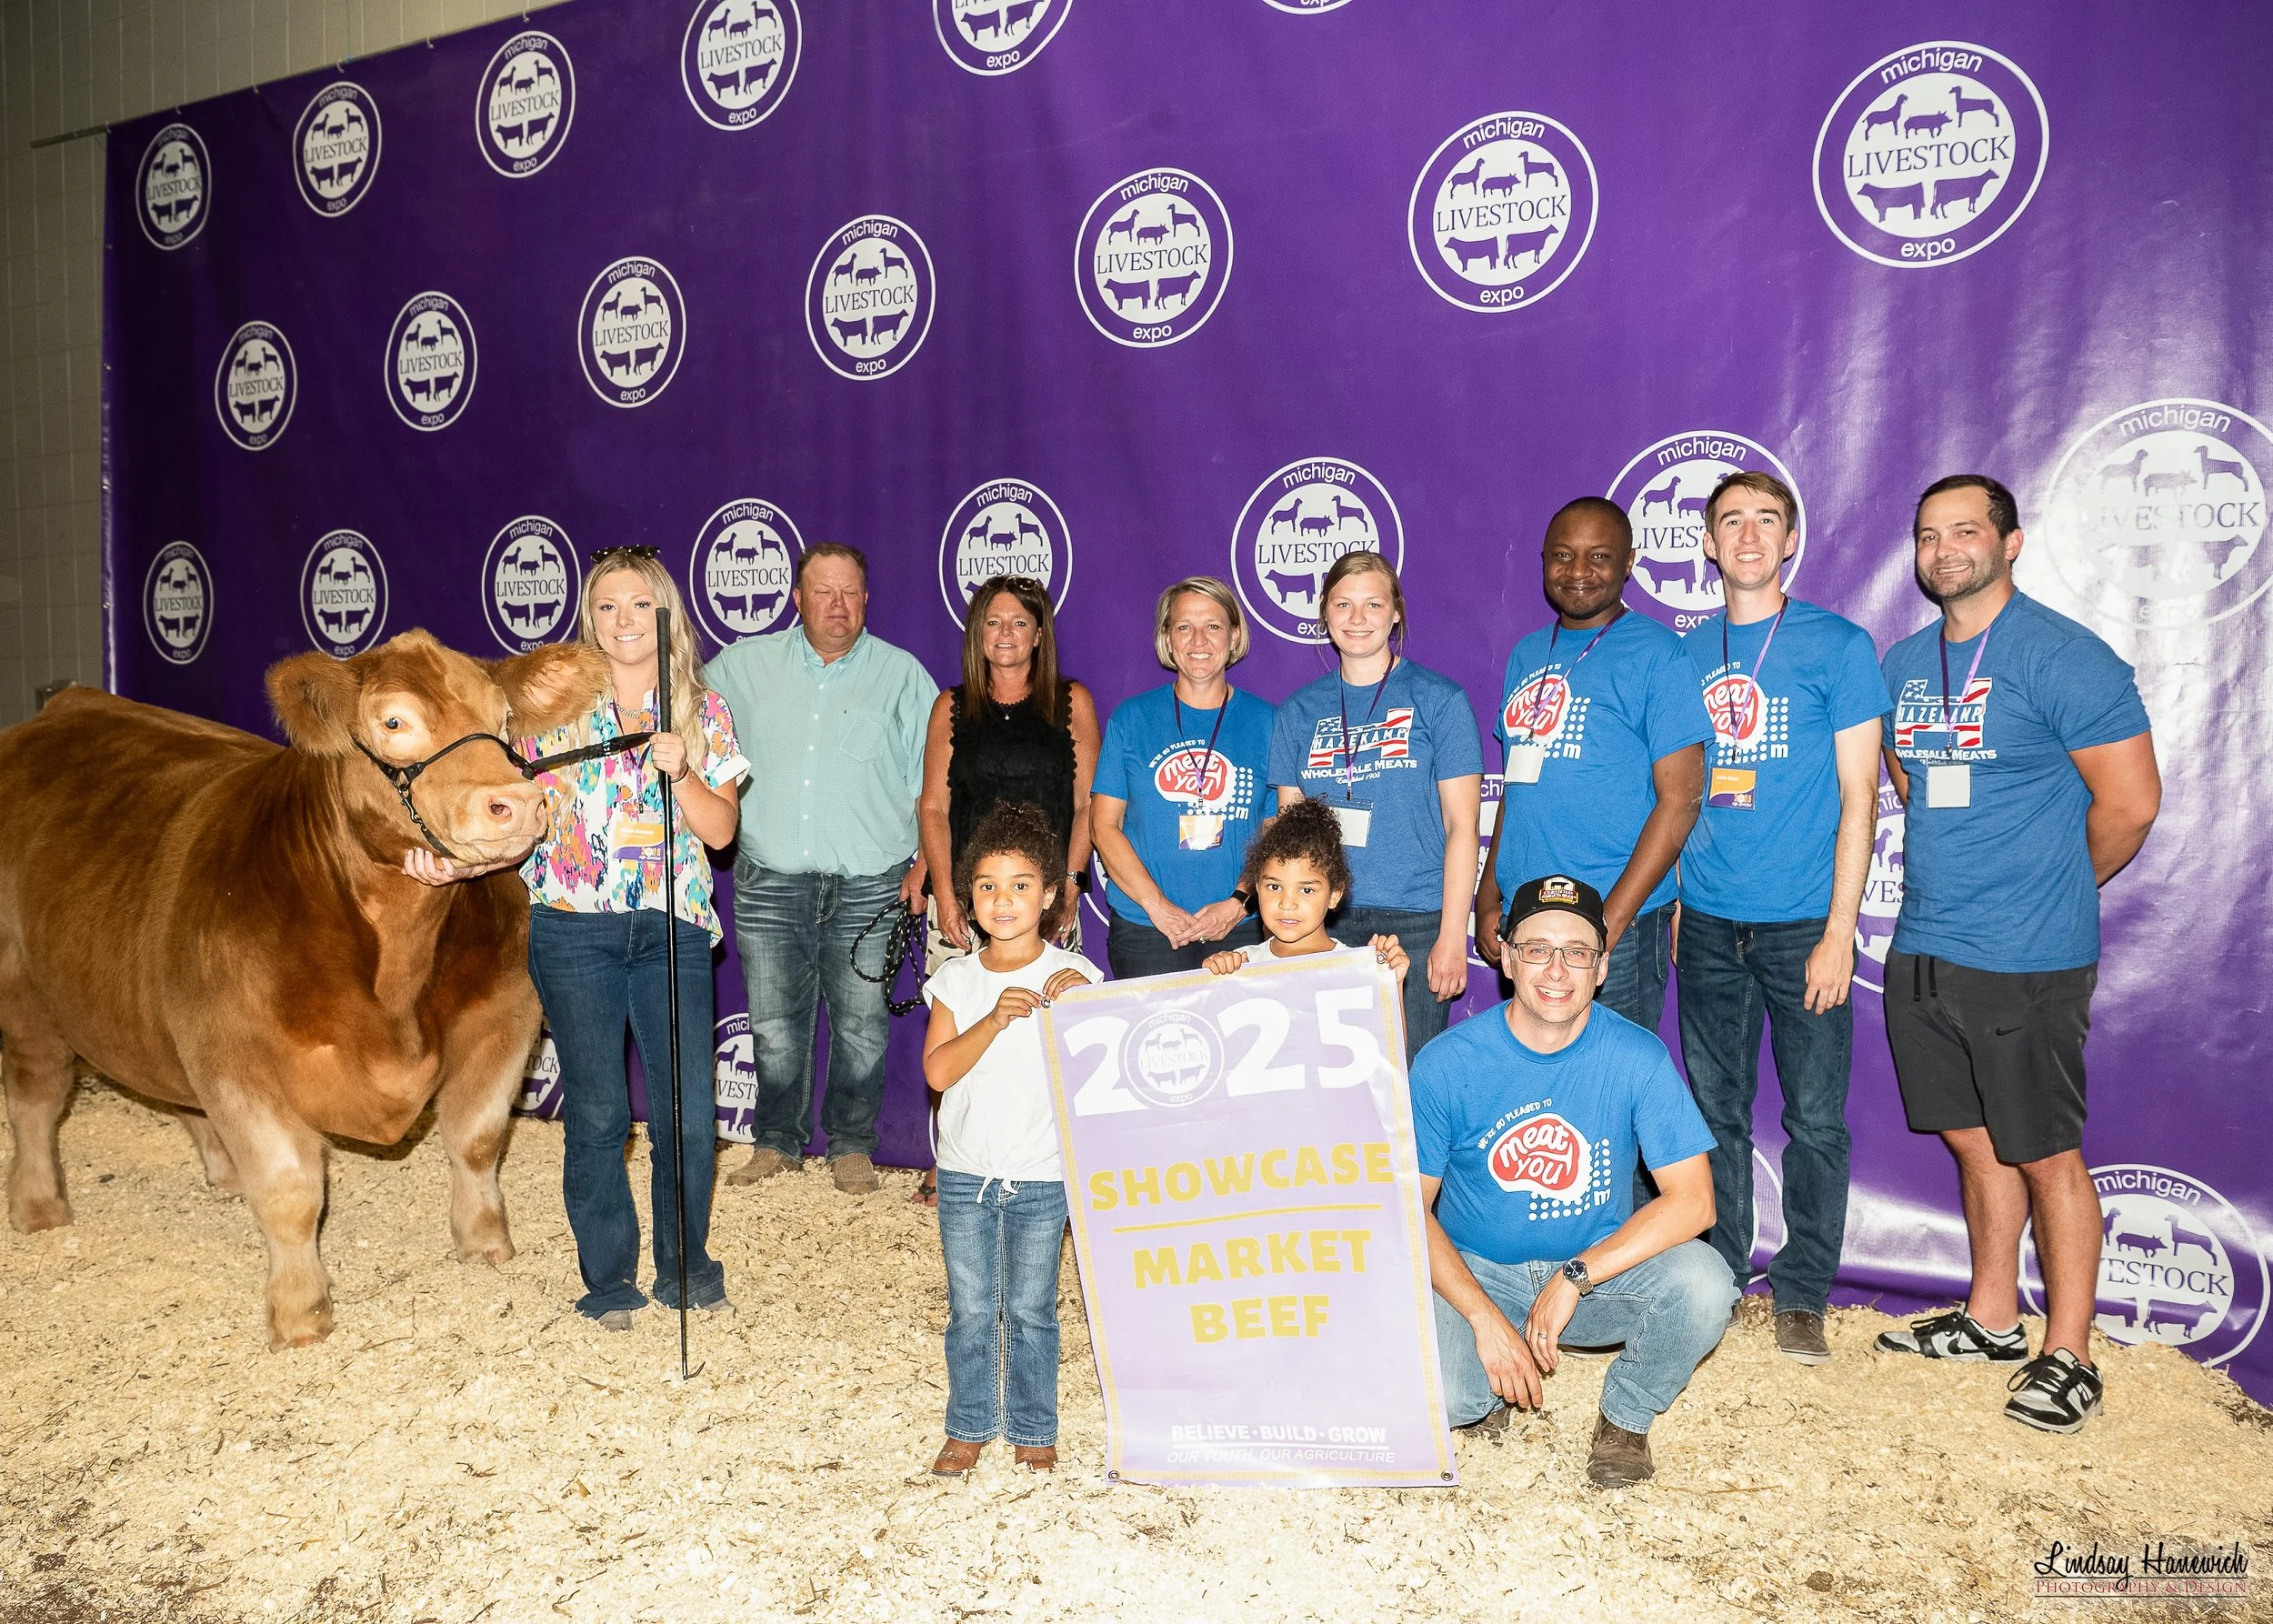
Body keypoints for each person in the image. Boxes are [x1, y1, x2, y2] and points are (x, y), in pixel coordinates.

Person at [1871, 476, 2158, 1436]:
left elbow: (2131, 804)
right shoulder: (1905, 663)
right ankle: (1993, 1318)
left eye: (1965, 531)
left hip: (2028, 955)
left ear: (2011, 542)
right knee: (1973, 1138)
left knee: (2043, 1150)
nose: (1943, 550)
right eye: (1928, 535)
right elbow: (1911, 781)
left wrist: (2055, 888)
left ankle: (2069, 1353)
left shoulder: (2063, 656)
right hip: (1923, 941)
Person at [408, 546, 746, 1328]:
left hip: (670, 932)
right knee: (596, 1114)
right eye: (606, 606)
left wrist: (683, 772)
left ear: (666, 614)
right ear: (589, 619)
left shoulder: (704, 710)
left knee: (688, 1117)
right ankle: (609, 1281)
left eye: (639, 605)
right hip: (572, 931)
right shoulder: (548, 712)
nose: (623, 620)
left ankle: (688, 1270)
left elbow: (722, 833)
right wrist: (455, 865)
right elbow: (516, 819)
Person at [1414, 873, 1734, 1489]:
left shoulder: (1638, 1056)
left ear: (1602, 967)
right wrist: (1483, 1318)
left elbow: (1695, 1203)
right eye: (1537, 949)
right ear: (1508, 958)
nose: (1557, 970)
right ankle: (1492, 1379)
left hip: (1591, 1283)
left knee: (1705, 1283)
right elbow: (1407, 1210)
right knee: (1451, 1400)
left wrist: (1575, 1275)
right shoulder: (1448, 1062)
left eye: (1577, 953)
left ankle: (1626, 1417)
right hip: (1479, 1272)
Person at [1673, 471, 1888, 1364]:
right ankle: (1722, 1273)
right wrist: (1678, 900)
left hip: (1805, 924)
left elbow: (1860, 794)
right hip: (1706, 923)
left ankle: (1802, 1291)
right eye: (1732, 520)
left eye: (1768, 519)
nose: (1750, 534)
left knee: (1815, 1119)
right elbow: (1676, 792)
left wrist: (1840, 930)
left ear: (1791, 539)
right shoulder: (1686, 652)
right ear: (1709, 544)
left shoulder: (1837, 645)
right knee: (1714, 1112)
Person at [707, 543, 937, 1196]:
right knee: (773, 1022)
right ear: (797, 599)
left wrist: (926, 863)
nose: (837, 605)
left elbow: (935, 783)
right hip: (769, 877)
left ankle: (852, 1146)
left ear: (866, 599)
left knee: (863, 1025)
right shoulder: (739, 669)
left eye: (850, 593)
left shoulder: (901, 676)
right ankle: (776, 1141)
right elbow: (681, 720)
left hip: (872, 881)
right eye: (823, 592)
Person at [1476, 497, 1709, 1037]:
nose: (1578, 571)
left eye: (1599, 556)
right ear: (1543, 560)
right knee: (1538, 1077)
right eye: (1563, 555)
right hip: (1526, 917)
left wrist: (1609, 923)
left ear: (1629, 563)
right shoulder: (1526, 653)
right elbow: (1517, 788)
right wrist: (1488, 898)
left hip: (1614, 924)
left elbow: (1680, 800)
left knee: (1608, 1079)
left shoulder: (1659, 653)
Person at [920, 803, 1103, 1477]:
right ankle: (968, 1425)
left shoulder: (1078, 978)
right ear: (969, 897)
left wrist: (1082, 1010)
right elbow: (937, 1071)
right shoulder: (957, 980)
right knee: (971, 1309)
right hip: (966, 1173)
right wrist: (993, 1020)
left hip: (1044, 1173)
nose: (1003, 900)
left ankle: (1034, 1428)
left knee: (1032, 1309)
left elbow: (1098, 1076)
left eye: (1021, 885)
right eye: (988, 886)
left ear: (1050, 895)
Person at [916, 576, 1100, 1203]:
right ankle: (953, 1157)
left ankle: (1054, 1160)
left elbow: (1087, 804)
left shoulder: (1072, 702)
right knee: (964, 1028)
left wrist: (1070, 880)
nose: (1005, 634)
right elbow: (934, 807)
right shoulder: (951, 707)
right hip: (969, 899)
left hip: (1044, 898)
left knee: (1046, 1032)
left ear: (1039, 634)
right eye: (993, 622)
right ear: (976, 634)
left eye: (1019, 622)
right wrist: (946, 893)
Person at [1267, 551, 1482, 1058]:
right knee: (1329, 1075)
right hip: (1324, 920)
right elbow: (1288, 836)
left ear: (1396, 612)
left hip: (1417, 920)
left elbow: (1463, 827)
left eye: (1373, 604)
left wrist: (1453, 935)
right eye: (1343, 604)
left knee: (1410, 1078)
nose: (1357, 618)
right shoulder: (1298, 711)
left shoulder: (1440, 700)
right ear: (1325, 613)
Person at [1092, 577, 1273, 978]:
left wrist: (1239, 903)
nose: (1199, 640)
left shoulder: (1267, 721)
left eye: (1213, 626)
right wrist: (1156, 906)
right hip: (1145, 929)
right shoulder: (1131, 718)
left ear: (1234, 636)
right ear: (1167, 639)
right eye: (1184, 627)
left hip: (1238, 926)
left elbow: (1275, 827)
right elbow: (1103, 826)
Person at [1201, 796, 1409, 981]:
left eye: (1306, 890)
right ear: (1257, 888)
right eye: (1274, 887)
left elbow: (1387, 1016)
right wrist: (1212, 980)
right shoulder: (1241, 965)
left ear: (1334, 894)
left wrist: (1392, 983)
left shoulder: (1358, 968)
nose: (1287, 904)